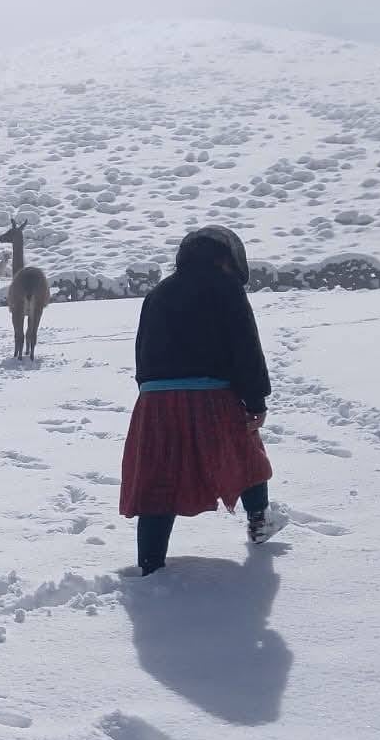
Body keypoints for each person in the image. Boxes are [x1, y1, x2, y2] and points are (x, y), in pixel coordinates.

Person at [120, 225, 281, 576]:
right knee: (245, 456)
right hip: (211, 395)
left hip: (156, 399)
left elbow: (142, 349)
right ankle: (259, 520)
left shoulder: (159, 293)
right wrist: (255, 400)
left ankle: (150, 563)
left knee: (158, 476)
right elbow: (245, 347)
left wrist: (151, 398)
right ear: (227, 258)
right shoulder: (226, 288)